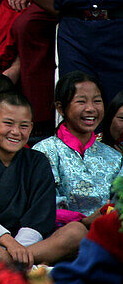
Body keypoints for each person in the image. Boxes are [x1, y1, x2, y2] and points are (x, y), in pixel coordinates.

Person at [0, 92, 87, 273]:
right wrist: (9, 243)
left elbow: (40, 216)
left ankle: (0, 265)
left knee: (76, 232)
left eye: (23, 126)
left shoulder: (37, 162)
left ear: (31, 128)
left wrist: (19, 248)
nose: (16, 132)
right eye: (8, 123)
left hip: (27, 244)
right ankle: (21, 267)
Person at [33, 73, 123, 224]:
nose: (91, 109)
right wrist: (85, 221)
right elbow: (44, 207)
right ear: (61, 108)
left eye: (97, 101)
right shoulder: (44, 151)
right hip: (62, 233)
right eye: (81, 101)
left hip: (108, 231)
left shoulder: (115, 157)